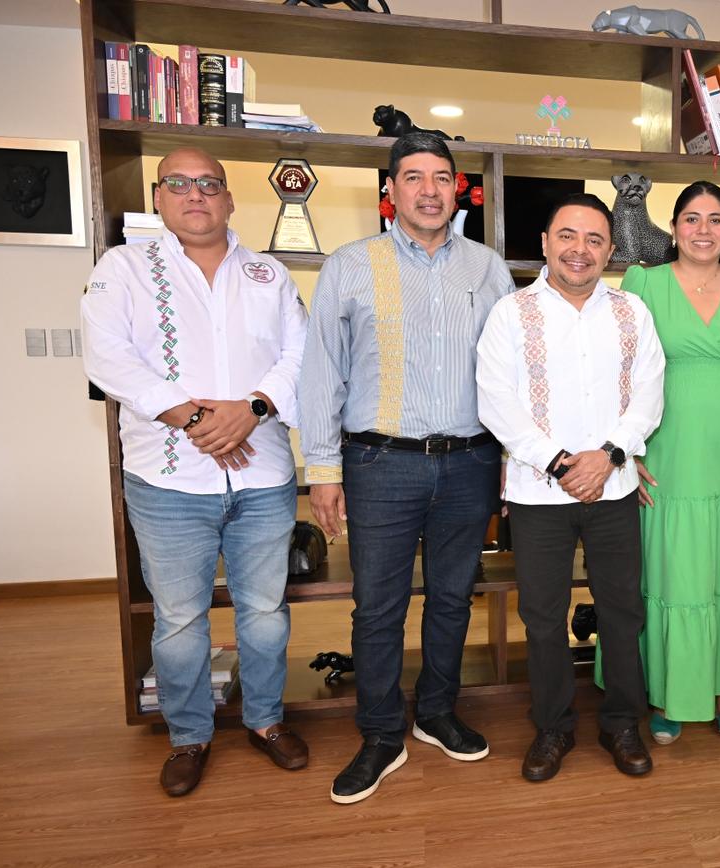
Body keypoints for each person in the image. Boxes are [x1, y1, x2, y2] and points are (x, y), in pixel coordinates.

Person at [81, 147, 309, 797]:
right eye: (178, 183)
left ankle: (265, 720)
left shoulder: (267, 273)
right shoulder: (122, 269)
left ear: (229, 198)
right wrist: (196, 419)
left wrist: (252, 409)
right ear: (158, 197)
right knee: (179, 617)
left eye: (209, 184)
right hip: (168, 480)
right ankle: (188, 735)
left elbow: (300, 354)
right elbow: (109, 359)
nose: (195, 194)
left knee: (264, 610)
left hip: (262, 474)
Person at [299, 132, 514, 804]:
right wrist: (322, 470)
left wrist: (511, 461)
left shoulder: (487, 268)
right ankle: (380, 732)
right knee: (378, 606)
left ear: (459, 189)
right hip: (379, 462)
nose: (429, 190)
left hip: (470, 461)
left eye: (441, 177)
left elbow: (510, 371)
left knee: (453, 598)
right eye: (414, 177)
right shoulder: (350, 265)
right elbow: (321, 371)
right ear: (390, 190)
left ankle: (437, 712)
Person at [476, 193, 665, 782]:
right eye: (567, 236)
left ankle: (622, 723)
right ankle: (553, 727)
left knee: (622, 613)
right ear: (545, 243)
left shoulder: (632, 312)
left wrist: (608, 456)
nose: (579, 249)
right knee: (542, 617)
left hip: (614, 489)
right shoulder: (510, 313)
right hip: (538, 495)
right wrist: (560, 464)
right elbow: (496, 402)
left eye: (594, 240)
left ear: (610, 250)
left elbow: (650, 394)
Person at [620, 180, 720, 745]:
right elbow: (622, 373)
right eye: (692, 218)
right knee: (675, 575)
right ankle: (670, 690)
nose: (703, 230)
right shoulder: (643, 283)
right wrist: (629, 452)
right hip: (667, 452)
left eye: (715, 219)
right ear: (673, 227)